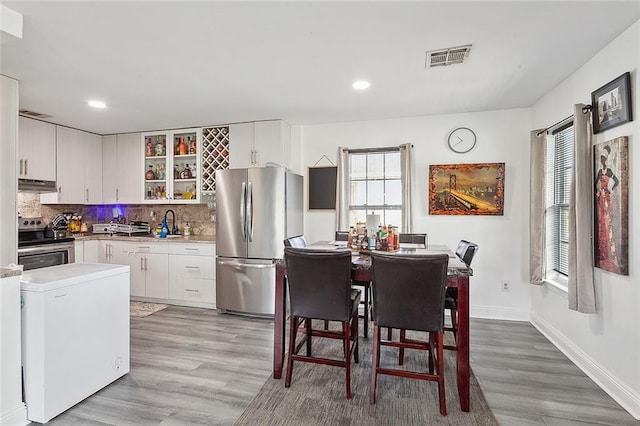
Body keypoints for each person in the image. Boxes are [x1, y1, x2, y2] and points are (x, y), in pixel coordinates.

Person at [594, 145, 620, 273]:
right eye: (601, 158)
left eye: (604, 158)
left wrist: (609, 189)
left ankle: (610, 251)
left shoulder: (609, 171)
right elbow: (594, 183)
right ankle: (602, 250)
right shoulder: (599, 172)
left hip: (607, 198)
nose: (602, 160)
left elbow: (616, 181)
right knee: (601, 221)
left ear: (607, 159)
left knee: (607, 221)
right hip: (601, 198)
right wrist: (597, 192)